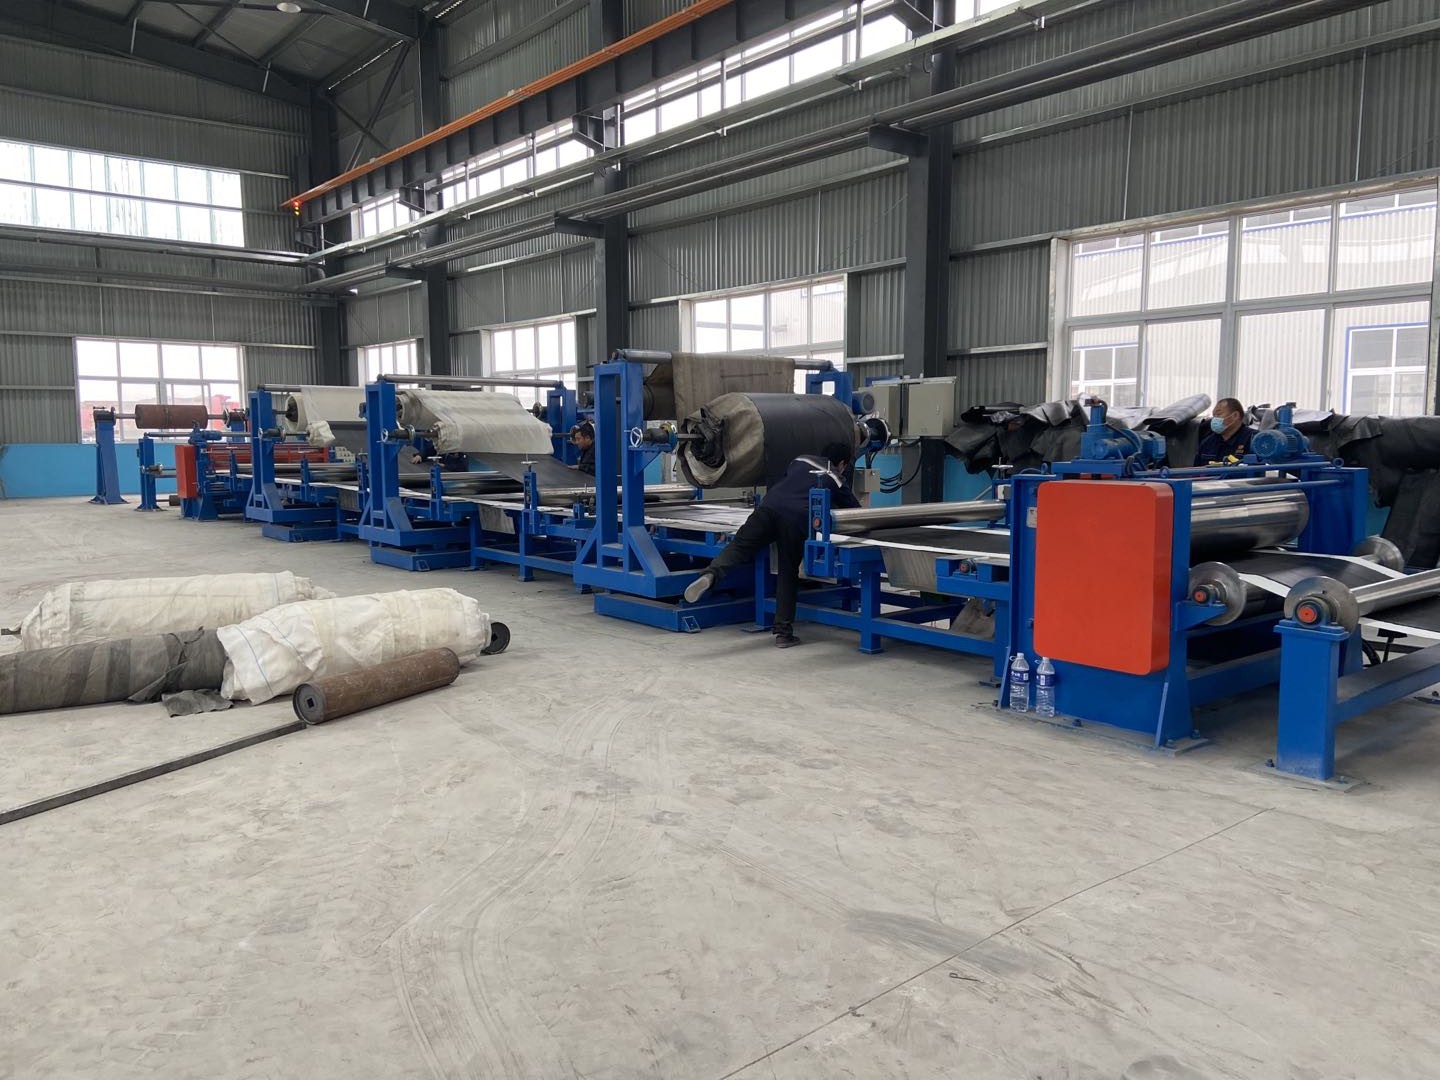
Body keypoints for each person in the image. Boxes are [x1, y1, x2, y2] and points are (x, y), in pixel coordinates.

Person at [683, 442, 860, 648]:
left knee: (739, 547)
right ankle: (783, 633)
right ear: (842, 464)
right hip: (795, 519)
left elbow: (788, 482)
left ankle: (711, 574)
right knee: (787, 571)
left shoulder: (800, 460)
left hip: (768, 507)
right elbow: (854, 511)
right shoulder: (835, 478)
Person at [1194, 397, 1255, 465]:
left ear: (1235, 415)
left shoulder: (1254, 440)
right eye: (1214, 416)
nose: (1214, 419)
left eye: (1218, 414)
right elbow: (1196, 469)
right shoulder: (1207, 442)